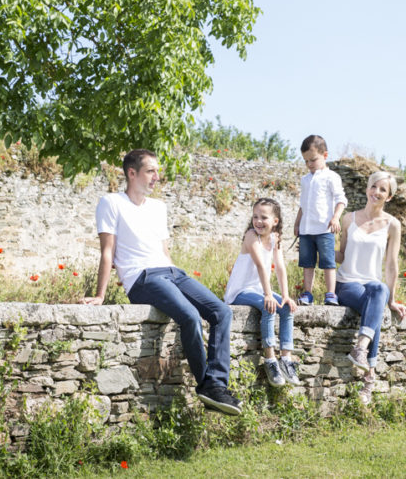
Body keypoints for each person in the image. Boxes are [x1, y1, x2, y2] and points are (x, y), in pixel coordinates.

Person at [83, 149, 242, 416]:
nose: (157, 176)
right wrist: (100, 295)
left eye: (157, 170)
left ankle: (215, 384)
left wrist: (178, 275)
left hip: (171, 272)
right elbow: (107, 251)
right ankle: (207, 386)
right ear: (131, 173)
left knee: (222, 312)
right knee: (190, 316)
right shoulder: (111, 202)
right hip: (142, 277)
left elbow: (164, 251)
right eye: (150, 171)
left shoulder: (159, 207)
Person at [335, 170, 406, 405]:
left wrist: (392, 299)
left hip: (372, 285)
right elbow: (341, 255)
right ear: (367, 189)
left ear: (389, 197)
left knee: (379, 292)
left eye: (383, 190)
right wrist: (316, 250)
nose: (376, 192)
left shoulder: (393, 225)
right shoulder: (348, 218)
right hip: (346, 284)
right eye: (373, 187)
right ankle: (369, 378)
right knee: (374, 307)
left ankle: (361, 347)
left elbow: (391, 264)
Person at [223, 198, 300, 387]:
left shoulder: (275, 238)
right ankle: (270, 360)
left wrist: (286, 295)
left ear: (275, 221)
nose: (258, 221)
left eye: (264, 217)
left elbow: (280, 267)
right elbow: (260, 266)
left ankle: (286, 359)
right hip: (240, 291)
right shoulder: (251, 236)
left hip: (259, 288)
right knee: (269, 307)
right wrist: (268, 294)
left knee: (286, 308)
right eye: (255, 216)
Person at [294, 135, 347, 306]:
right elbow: (303, 205)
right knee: (307, 263)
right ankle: (307, 293)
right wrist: (297, 223)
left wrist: (336, 218)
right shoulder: (305, 180)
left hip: (325, 228)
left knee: (328, 262)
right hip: (306, 229)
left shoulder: (332, 177)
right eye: (306, 161)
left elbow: (341, 199)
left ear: (325, 155)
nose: (309, 164)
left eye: (313, 160)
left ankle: (330, 293)